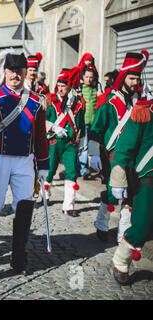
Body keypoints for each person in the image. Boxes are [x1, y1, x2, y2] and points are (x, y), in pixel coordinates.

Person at [0, 50, 49, 275]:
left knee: (24, 206)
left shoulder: (36, 102)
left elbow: (40, 136)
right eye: (11, 71)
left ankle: (19, 257)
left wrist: (43, 164)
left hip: (25, 161)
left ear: (25, 72)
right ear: (5, 72)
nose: (15, 75)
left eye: (19, 71)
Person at [89, 50, 149, 243]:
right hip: (112, 157)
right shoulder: (108, 102)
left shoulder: (138, 103)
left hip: (133, 157)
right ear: (123, 77)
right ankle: (101, 223)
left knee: (130, 197)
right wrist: (93, 154)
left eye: (138, 78)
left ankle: (123, 236)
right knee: (112, 195)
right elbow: (96, 130)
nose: (135, 83)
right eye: (132, 78)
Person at [109, 96, 153, 285]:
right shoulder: (144, 111)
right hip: (147, 179)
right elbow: (124, 147)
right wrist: (119, 175)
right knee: (142, 225)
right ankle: (120, 260)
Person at [44, 68, 85, 217]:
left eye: (64, 85)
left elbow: (80, 124)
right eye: (59, 85)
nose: (60, 88)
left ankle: (68, 205)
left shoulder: (78, 103)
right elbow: (41, 121)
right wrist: (54, 127)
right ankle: (45, 194)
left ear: (70, 87)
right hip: (54, 140)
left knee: (72, 171)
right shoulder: (50, 100)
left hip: (71, 143)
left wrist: (81, 143)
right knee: (50, 169)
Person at [78, 67, 98, 179]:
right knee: (84, 146)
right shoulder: (80, 90)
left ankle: (94, 167)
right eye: (87, 77)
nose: (89, 79)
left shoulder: (96, 90)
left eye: (91, 77)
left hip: (94, 123)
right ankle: (83, 169)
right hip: (84, 122)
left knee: (93, 145)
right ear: (83, 77)